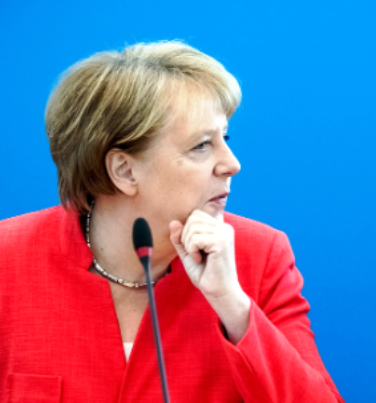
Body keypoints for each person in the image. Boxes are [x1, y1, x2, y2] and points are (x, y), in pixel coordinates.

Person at [0, 41, 344, 402]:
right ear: (125, 171)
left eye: (224, 138)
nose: (232, 164)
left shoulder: (259, 257)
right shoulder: (8, 259)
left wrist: (232, 305)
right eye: (201, 145)